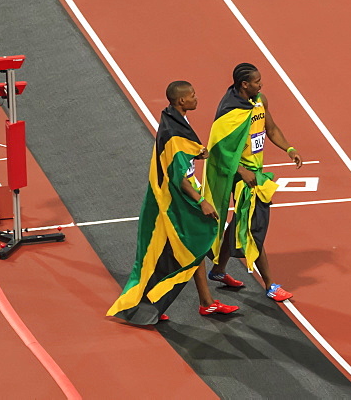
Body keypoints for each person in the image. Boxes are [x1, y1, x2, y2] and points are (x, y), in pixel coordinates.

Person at [107, 81, 238, 325]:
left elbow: (181, 154)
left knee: (191, 249)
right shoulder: (173, 133)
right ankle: (143, 305)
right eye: (192, 96)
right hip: (170, 205)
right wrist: (202, 202)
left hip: (174, 199)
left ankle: (206, 303)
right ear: (181, 101)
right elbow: (179, 179)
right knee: (165, 255)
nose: (196, 98)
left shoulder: (174, 121)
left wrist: (196, 151)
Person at [205, 63, 303, 302]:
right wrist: (241, 170)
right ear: (244, 84)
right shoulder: (229, 111)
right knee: (253, 228)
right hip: (241, 176)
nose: (261, 84)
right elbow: (217, 149)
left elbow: (271, 128)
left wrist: (289, 149)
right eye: (257, 81)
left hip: (256, 171)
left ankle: (218, 270)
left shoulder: (259, 100)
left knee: (241, 222)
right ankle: (270, 284)